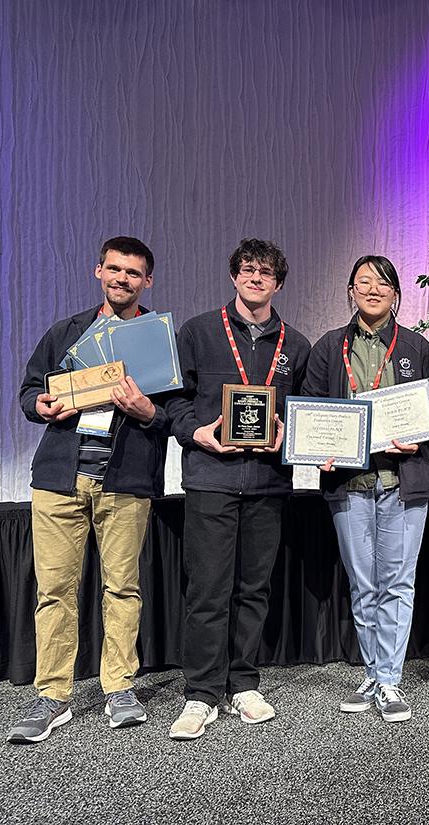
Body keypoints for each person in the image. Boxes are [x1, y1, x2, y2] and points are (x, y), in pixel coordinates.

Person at [8, 237, 170, 743]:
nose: (122, 279)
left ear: (148, 281)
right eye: (114, 269)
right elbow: (30, 391)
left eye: (134, 273)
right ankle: (52, 696)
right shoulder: (68, 332)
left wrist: (149, 411)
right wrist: (43, 406)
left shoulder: (157, 340)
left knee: (122, 587)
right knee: (54, 590)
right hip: (60, 479)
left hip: (125, 479)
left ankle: (119, 687)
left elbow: (177, 414)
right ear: (97, 270)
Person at [166, 239, 310, 740]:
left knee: (254, 589)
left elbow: (305, 410)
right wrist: (196, 432)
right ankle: (201, 693)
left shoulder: (296, 344)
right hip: (212, 479)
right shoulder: (200, 332)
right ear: (234, 276)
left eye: (266, 272)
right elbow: (174, 402)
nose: (256, 278)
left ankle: (244, 683)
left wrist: (290, 432)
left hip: (269, 484)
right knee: (208, 591)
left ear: (278, 282)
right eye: (247, 270)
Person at [304, 255, 429, 723]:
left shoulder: (416, 347)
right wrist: (315, 447)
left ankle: (389, 679)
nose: (373, 289)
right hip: (348, 482)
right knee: (363, 582)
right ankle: (373, 671)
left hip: (401, 482)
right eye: (363, 282)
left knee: (397, 581)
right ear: (350, 290)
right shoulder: (330, 347)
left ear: (395, 293)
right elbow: (311, 407)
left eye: (382, 282)